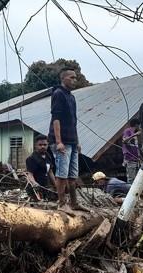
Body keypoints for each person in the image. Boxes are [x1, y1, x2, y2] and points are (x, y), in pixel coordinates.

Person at [48, 67, 87, 211]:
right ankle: (62, 203)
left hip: (72, 141)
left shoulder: (71, 96)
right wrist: (58, 142)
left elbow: (73, 121)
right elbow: (56, 119)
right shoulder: (58, 93)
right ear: (63, 78)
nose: (74, 80)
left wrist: (77, 142)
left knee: (72, 175)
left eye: (75, 77)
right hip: (61, 142)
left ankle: (74, 203)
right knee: (62, 174)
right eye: (71, 77)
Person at [26, 134, 57, 201]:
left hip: (46, 186)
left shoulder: (48, 156)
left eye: (45, 145)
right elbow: (30, 175)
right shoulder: (31, 158)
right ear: (36, 145)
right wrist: (34, 183)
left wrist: (56, 185)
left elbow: (50, 172)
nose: (43, 146)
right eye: (40, 145)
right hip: (35, 189)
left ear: (47, 145)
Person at [122, 118, 141, 184]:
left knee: (137, 178)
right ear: (136, 125)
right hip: (130, 158)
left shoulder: (135, 132)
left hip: (136, 159)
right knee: (131, 178)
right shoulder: (128, 131)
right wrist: (134, 135)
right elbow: (124, 141)